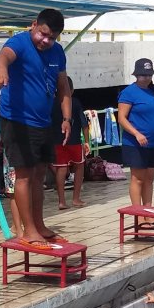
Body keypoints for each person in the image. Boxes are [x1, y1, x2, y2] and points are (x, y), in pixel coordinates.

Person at [0, 8, 71, 249]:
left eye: (52, 37)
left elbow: (63, 87)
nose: (46, 41)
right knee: (24, 175)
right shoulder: (19, 42)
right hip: (18, 121)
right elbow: (3, 56)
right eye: (43, 34)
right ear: (34, 25)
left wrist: (66, 118)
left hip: (43, 122)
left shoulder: (57, 52)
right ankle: (27, 231)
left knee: (39, 175)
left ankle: (38, 225)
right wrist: (2, 71)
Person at [118, 58, 154, 213]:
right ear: (136, 75)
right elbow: (122, 118)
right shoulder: (129, 93)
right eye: (143, 75)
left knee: (149, 179)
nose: (146, 78)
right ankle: (139, 214)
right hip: (136, 144)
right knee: (138, 179)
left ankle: (148, 212)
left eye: (149, 75)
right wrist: (136, 133)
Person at [51, 76, 89, 209]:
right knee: (79, 167)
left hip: (57, 141)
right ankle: (76, 198)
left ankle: (61, 201)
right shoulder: (75, 102)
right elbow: (84, 124)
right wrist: (87, 142)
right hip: (74, 141)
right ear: (71, 90)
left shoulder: (51, 103)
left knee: (61, 169)